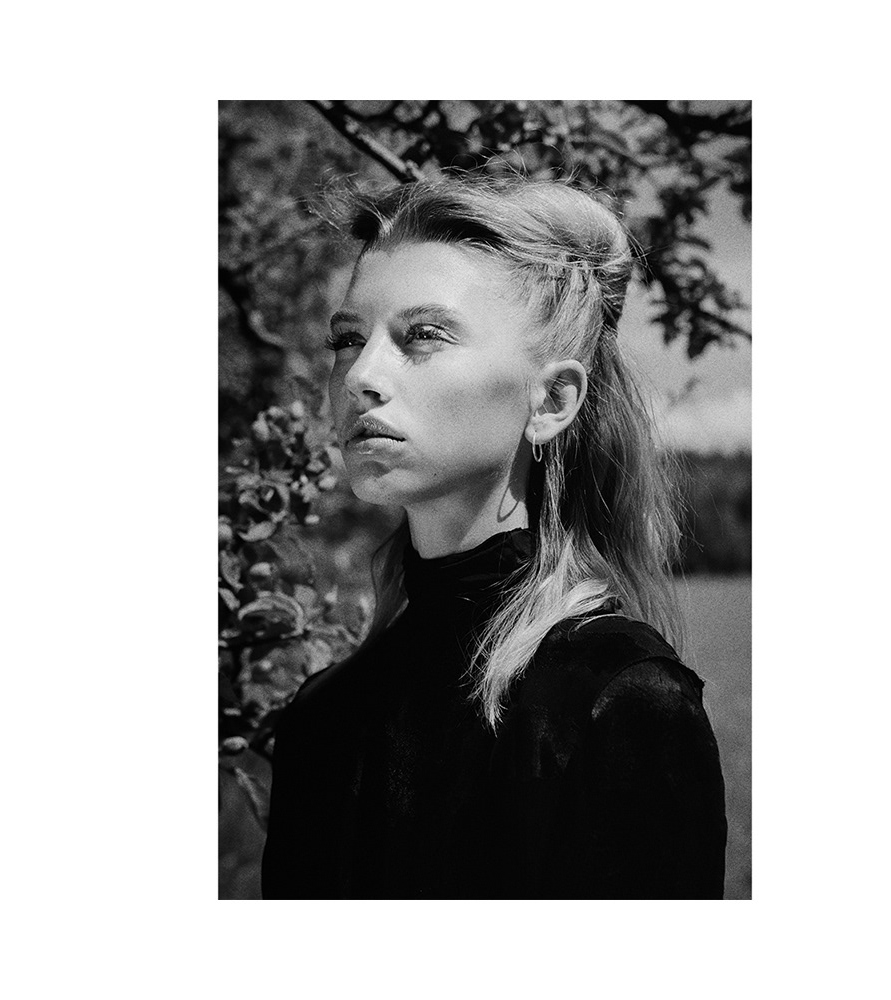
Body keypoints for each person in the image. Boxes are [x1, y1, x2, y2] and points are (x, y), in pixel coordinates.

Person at [261, 176, 727, 899]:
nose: (359, 375)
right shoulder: (321, 719)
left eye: (424, 335)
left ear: (552, 400)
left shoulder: (619, 703)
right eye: (347, 339)